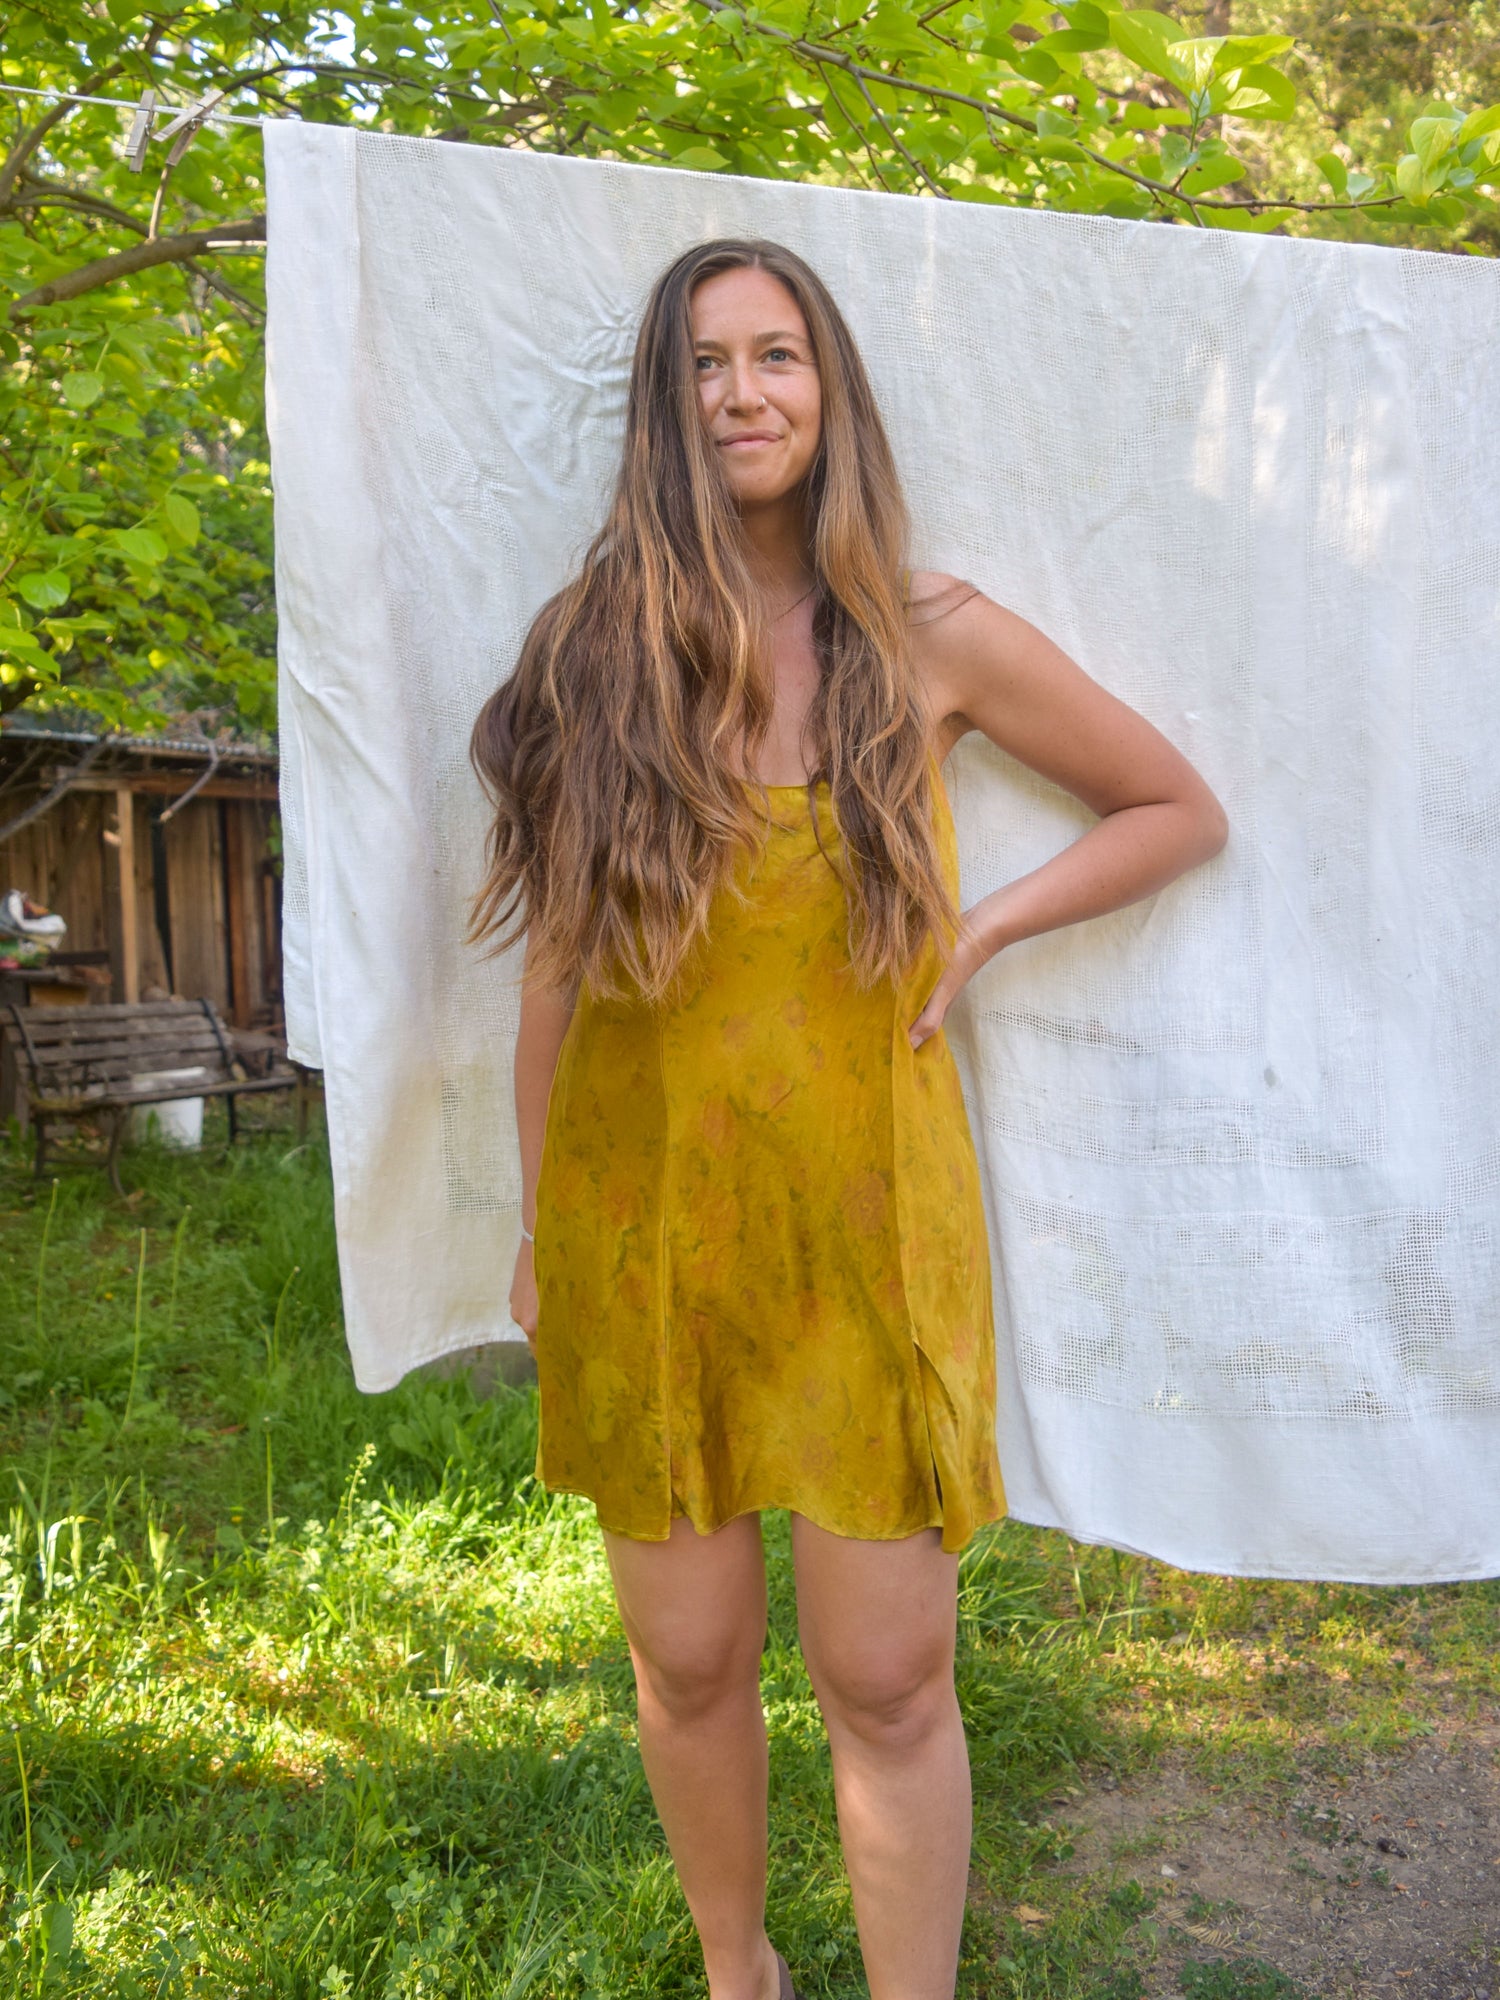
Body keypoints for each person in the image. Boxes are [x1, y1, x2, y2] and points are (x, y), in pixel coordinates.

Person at [468, 238, 1228, 2000]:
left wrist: (984, 925)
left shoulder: (923, 634)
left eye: (777, 355)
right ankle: (740, 1975)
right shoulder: (594, 651)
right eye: (704, 364)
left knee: (886, 1681)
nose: (742, 393)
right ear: (664, 407)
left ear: (831, 391)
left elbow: (1171, 806)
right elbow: (555, 981)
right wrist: (540, 1230)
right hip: (645, 1223)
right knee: (688, 1664)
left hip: (868, 1226)